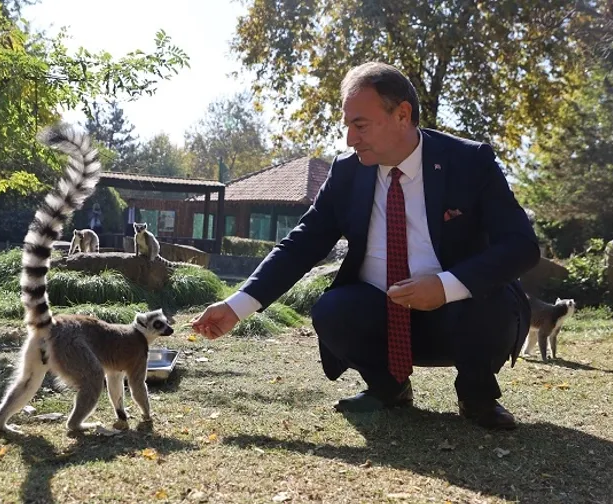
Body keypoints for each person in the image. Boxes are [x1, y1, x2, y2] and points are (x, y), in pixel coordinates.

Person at [191, 62, 540, 430]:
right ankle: (388, 387)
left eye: (360, 125)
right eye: (347, 126)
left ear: (402, 114)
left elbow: (521, 246)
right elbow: (301, 245)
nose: (349, 139)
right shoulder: (346, 173)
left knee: (488, 296)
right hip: (382, 317)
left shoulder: (470, 162)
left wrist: (445, 286)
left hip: (463, 319)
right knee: (332, 309)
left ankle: (476, 395)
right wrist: (236, 306)